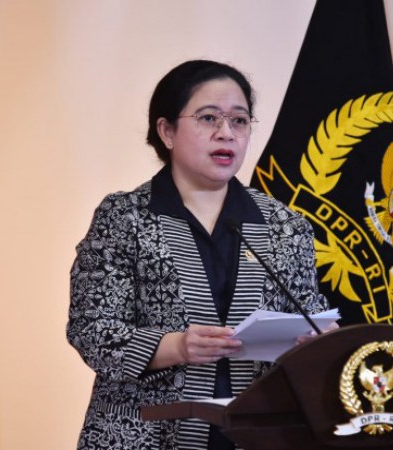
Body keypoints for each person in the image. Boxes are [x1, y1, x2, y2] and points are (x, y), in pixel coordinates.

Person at [67, 59, 331, 450]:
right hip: (145, 434)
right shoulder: (124, 217)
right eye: (209, 118)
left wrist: (315, 342)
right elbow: (91, 330)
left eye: (239, 121)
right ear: (167, 131)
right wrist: (176, 346)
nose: (227, 133)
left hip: (258, 434)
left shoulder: (285, 225)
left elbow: (309, 318)